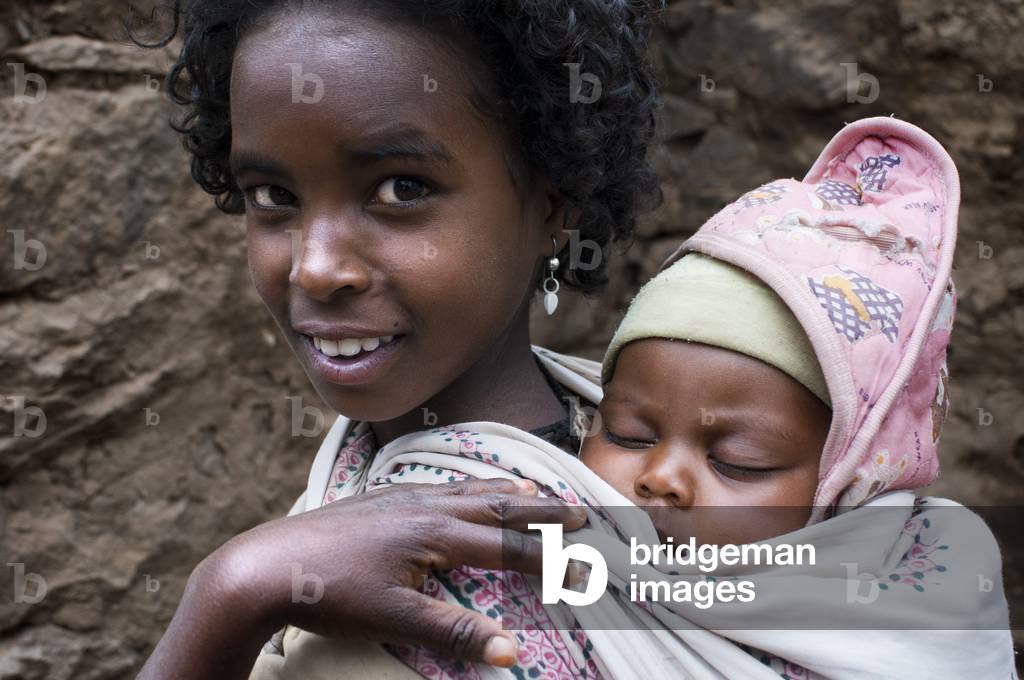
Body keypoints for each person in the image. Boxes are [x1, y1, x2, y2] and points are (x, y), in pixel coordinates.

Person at [325, 117, 1016, 678]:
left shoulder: (922, 614)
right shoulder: (531, 552)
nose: (661, 479)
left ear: (847, 487)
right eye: (626, 432)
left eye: (740, 462)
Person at [133, 0, 666, 678]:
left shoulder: (544, 556)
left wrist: (230, 591)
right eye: (272, 195)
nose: (316, 266)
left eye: (401, 187)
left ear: (552, 206)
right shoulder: (354, 504)